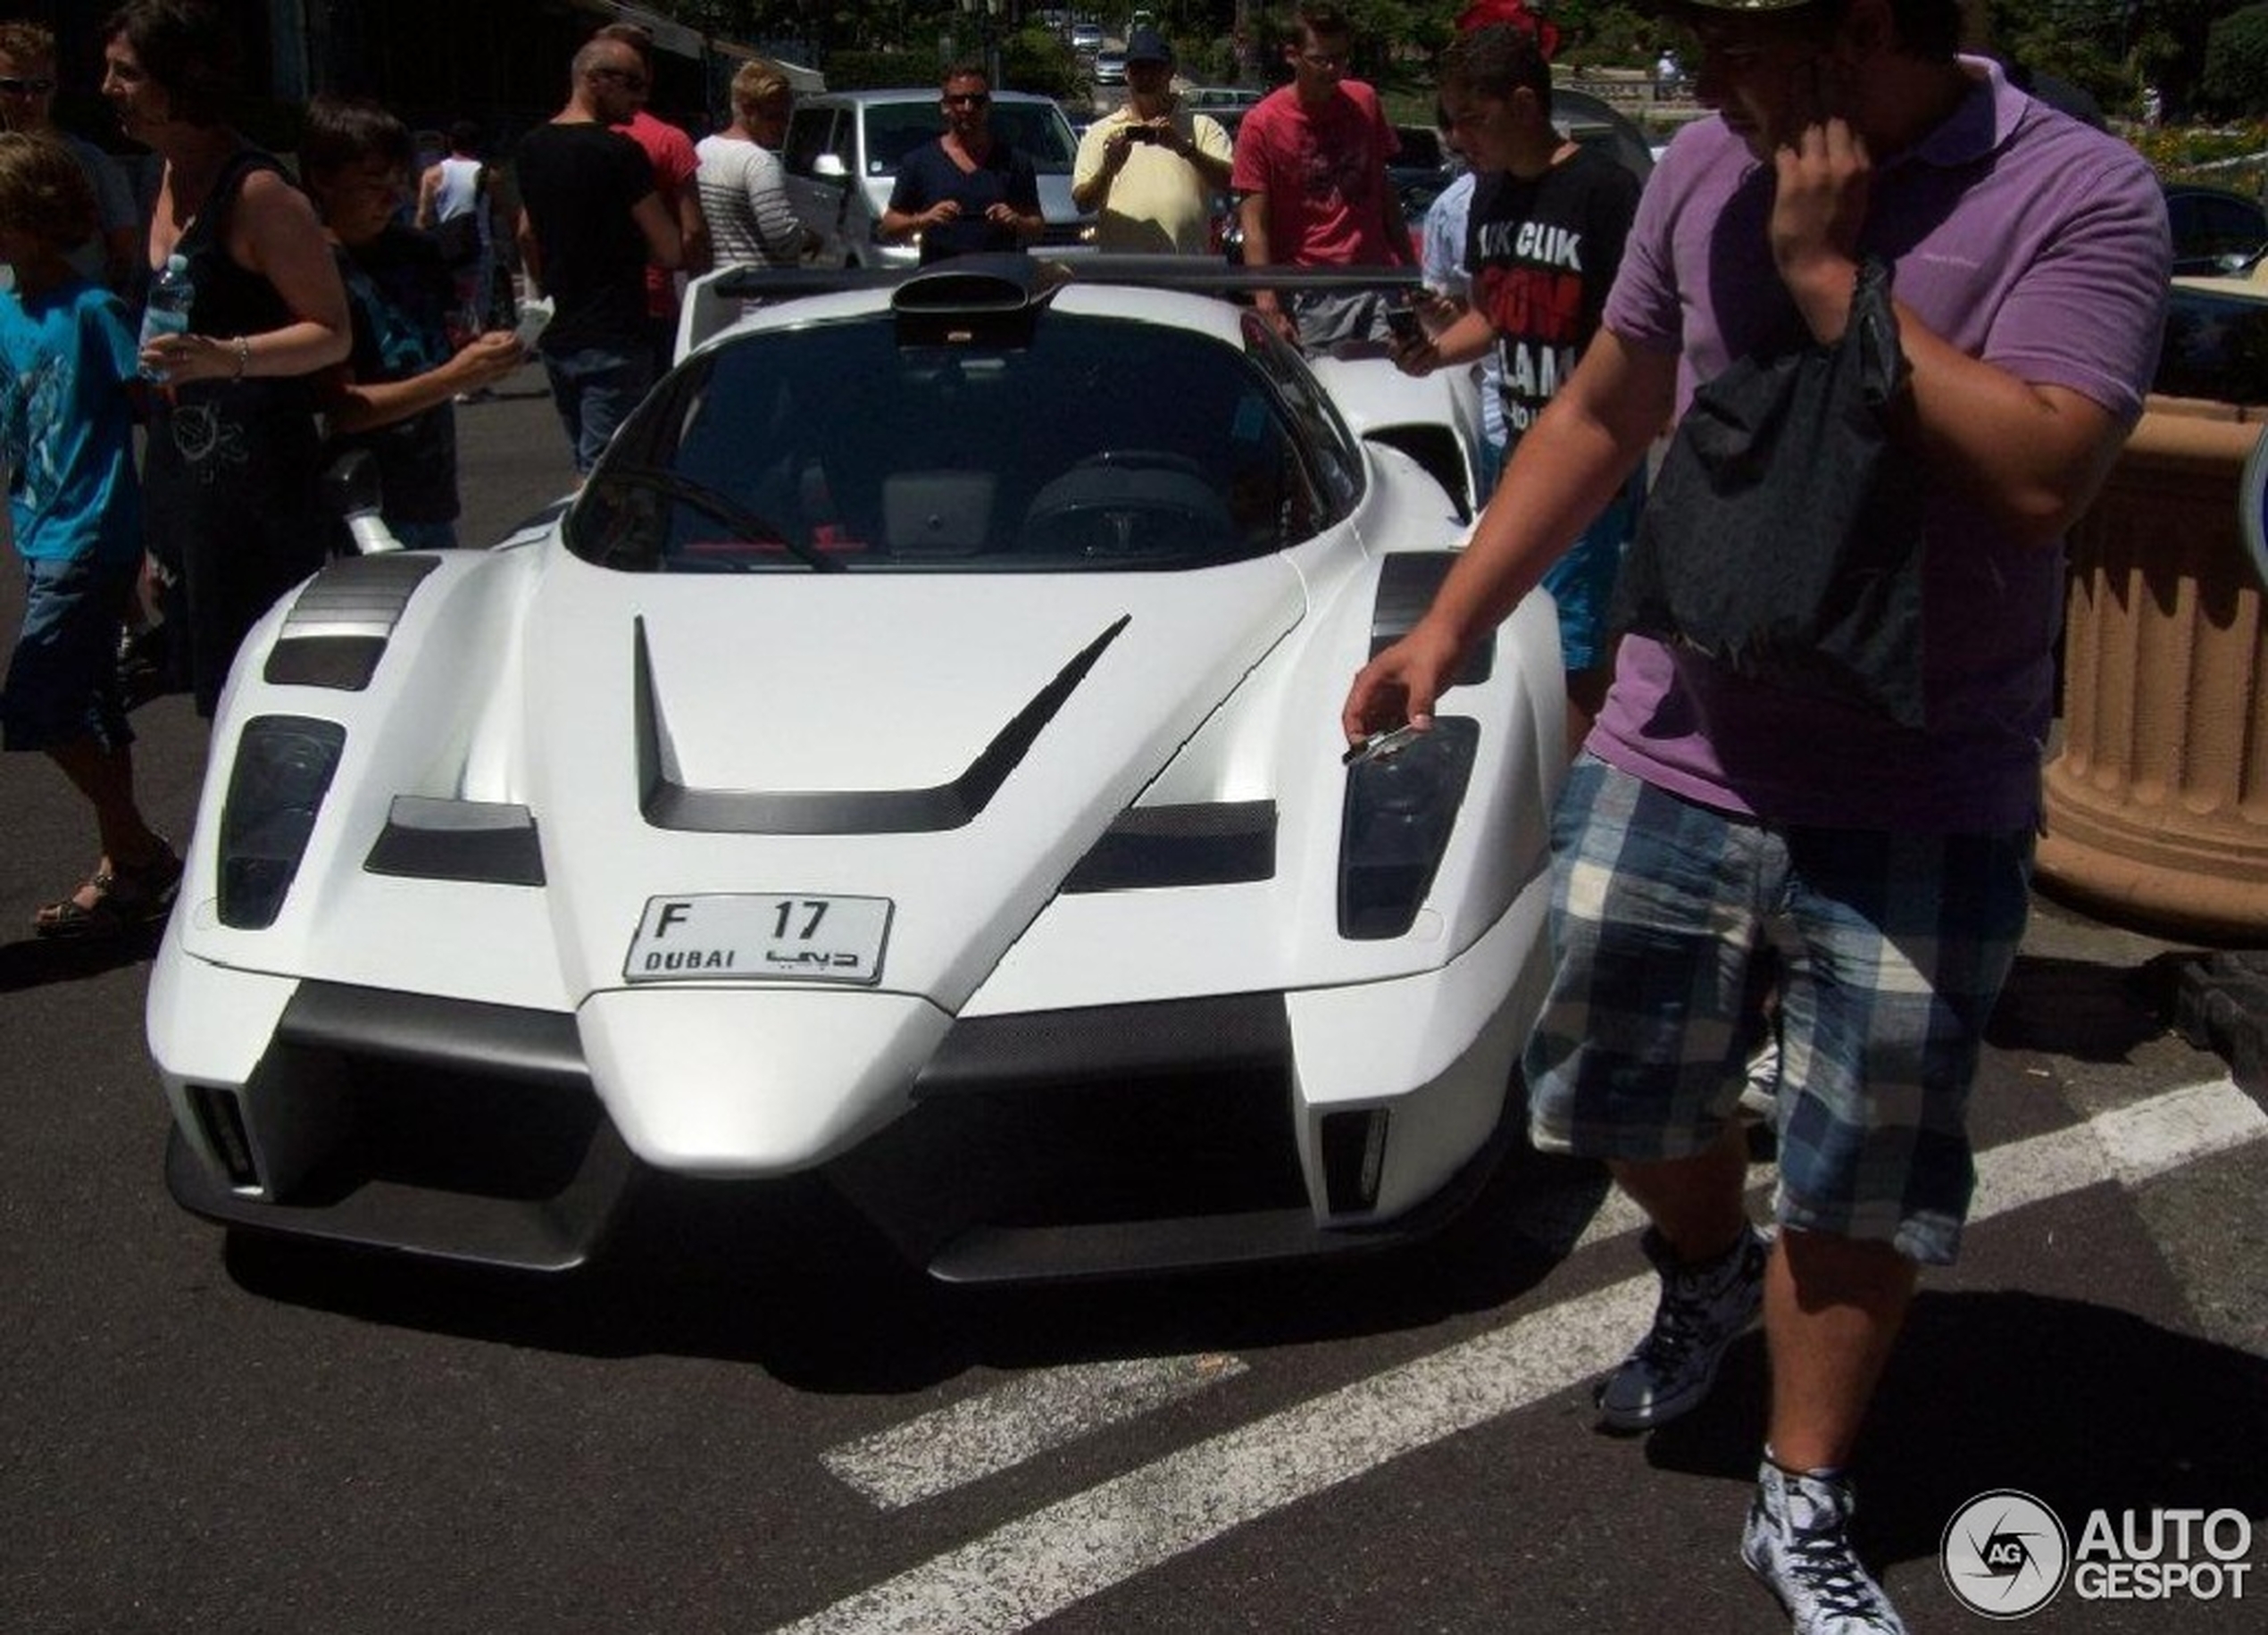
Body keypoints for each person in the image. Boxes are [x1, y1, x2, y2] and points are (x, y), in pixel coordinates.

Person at [1341, 2, 2168, 1630]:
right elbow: (1600, 409)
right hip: (1681, 740)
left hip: (1924, 777)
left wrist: (1829, 282)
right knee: (1610, 1083)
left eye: (1731, 41)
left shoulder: (2082, 192)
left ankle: (1803, 1484)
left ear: (1856, 31)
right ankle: (1711, 1263)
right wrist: (1445, 624)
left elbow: (2043, 475)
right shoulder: (1703, 166)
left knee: (1865, 1167)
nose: (1701, 85)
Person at [1393, 23, 1644, 747]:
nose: (1460, 137)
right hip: (1520, 454)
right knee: (1528, 627)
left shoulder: (1603, 191)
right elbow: (1495, 317)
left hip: (1591, 461)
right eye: (1453, 120)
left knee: (1577, 644)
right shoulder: (1490, 197)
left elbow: (1638, 333)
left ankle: (1569, 792)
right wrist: (1435, 354)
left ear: (1526, 104)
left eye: (1474, 117)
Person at [103, 0, 352, 720]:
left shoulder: (258, 191)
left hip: (257, 491)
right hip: (185, 478)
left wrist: (227, 356)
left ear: (183, 80)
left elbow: (330, 332)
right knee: (212, 686)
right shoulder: (164, 175)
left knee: (261, 691)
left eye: (127, 73)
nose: (109, 88)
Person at [0, 132, 179, 937]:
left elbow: (158, 418)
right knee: (94, 708)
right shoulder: (7, 311)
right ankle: (129, 866)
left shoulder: (94, 311)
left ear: (31, 221)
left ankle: (139, 849)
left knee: (37, 708)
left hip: (91, 534)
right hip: (39, 532)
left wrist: (157, 543)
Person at [300, 96, 523, 552]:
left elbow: (449, 343)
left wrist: (487, 354)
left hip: (432, 490)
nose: (393, 195)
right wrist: (456, 377)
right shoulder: (313, 268)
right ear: (323, 180)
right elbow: (343, 409)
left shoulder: (417, 251)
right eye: (372, 183)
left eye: (399, 180)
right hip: (360, 505)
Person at [513, 35, 682, 478]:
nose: (641, 98)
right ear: (593, 79)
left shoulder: (531, 148)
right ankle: (608, 546)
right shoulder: (621, 153)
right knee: (613, 469)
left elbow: (526, 234)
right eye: (632, 84)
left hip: (558, 329)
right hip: (616, 329)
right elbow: (668, 247)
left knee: (585, 457)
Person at [1231, 5, 1411, 348]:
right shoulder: (1263, 124)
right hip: (1310, 292)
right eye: (1320, 59)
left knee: (1394, 387)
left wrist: (1411, 272)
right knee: (1326, 393)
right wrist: (1267, 303)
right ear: (1292, 56)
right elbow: (1254, 223)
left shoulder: (1365, 102)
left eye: (1340, 59)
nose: (1332, 69)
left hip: (1376, 279)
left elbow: (1385, 192)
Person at [593, 21, 709, 373]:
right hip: (652, 301)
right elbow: (693, 232)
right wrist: (700, 302)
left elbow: (529, 232)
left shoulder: (559, 139)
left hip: (584, 305)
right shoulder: (668, 141)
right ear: (647, 73)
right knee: (658, 418)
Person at [0, 21, 139, 296]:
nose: (29, 99)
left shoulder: (92, 163)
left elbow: (127, 256)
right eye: (13, 87)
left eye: (41, 86)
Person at [1071, 27, 1233, 255]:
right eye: (1138, 69)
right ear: (1127, 74)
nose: (1146, 77)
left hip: (1186, 271)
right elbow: (1083, 204)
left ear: (1170, 72)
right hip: (1124, 276)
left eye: (1154, 69)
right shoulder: (1101, 132)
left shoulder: (1203, 127)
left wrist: (1184, 148)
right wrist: (1109, 168)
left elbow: (1229, 181)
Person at [881, 63, 1044, 265]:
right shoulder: (918, 162)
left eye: (977, 100)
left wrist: (1016, 221)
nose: (968, 108)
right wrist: (925, 219)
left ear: (988, 105)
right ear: (945, 106)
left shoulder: (1015, 162)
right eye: (959, 100)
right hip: (940, 282)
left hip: (1000, 284)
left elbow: (1037, 227)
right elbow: (888, 227)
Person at [696, 60, 815, 273]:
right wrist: (809, 239)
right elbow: (782, 238)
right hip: (761, 294)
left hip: (720, 288)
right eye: (775, 117)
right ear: (748, 110)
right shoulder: (760, 163)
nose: (783, 126)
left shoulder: (703, 150)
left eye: (786, 117)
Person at [413, 120, 497, 334]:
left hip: (446, 247)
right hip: (479, 246)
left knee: (449, 305)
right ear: (477, 144)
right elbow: (505, 213)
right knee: (478, 308)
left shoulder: (432, 174)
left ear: (450, 142)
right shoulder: (489, 174)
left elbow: (422, 218)